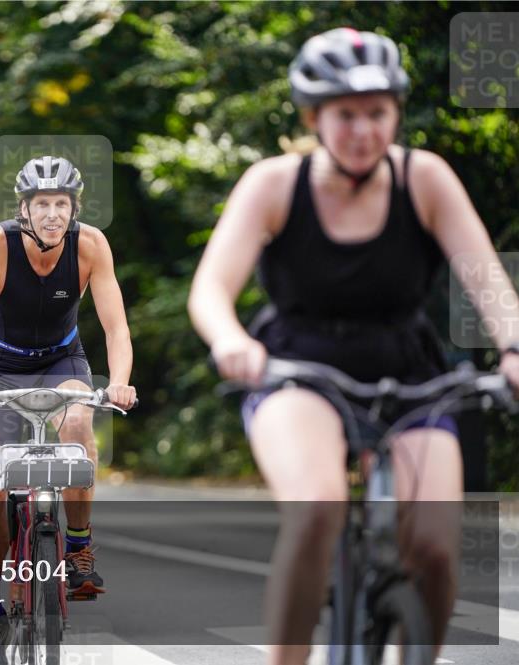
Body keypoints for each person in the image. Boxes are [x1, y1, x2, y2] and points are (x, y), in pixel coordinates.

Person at [188, 27, 519, 665]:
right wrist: (230, 340)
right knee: (317, 513)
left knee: (436, 549)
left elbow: (488, 284)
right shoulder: (275, 185)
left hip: (410, 372)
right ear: (315, 117)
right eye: (346, 114)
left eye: (378, 113)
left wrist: (512, 348)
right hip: (296, 369)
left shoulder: (424, 179)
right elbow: (210, 289)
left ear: (396, 112)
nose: (364, 130)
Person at [0, 155, 137, 663]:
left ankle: (78, 548)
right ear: (24, 209)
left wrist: (120, 383)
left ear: (74, 209)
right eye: (42, 203)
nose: (52, 213)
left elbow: (115, 327)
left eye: (61, 204)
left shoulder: (90, 246)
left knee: (77, 421)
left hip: (62, 360)